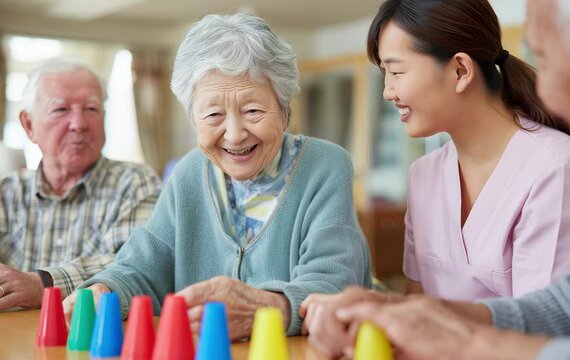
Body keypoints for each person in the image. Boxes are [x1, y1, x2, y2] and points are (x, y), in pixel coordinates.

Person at [301, 0, 570, 358]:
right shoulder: (425, 174)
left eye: (550, 61)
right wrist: (397, 315)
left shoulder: (558, 167)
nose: (547, 93)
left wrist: (463, 340)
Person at [64, 13, 372, 340]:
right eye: (213, 115)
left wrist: (267, 309)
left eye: (253, 111)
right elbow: (141, 269)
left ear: (284, 110)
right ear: (193, 118)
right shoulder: (188, 174)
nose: (235, 134)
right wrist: (104, 289)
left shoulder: (324, 166)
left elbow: (332, 286)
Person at [382, 0, 570, 302]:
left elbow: (545, 330)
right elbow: (416, 305)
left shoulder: (557, 171)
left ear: (461, 70)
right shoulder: (424, 175)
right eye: (383, 73)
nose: (388, 91)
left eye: (397, 72)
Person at [0, 59, 162, 310]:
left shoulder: (135, 183)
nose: (79, 123)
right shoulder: (7, 192)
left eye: (91, 109)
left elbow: (133, 265)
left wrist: (42, 284)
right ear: (29, 125)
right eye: (61, 110)